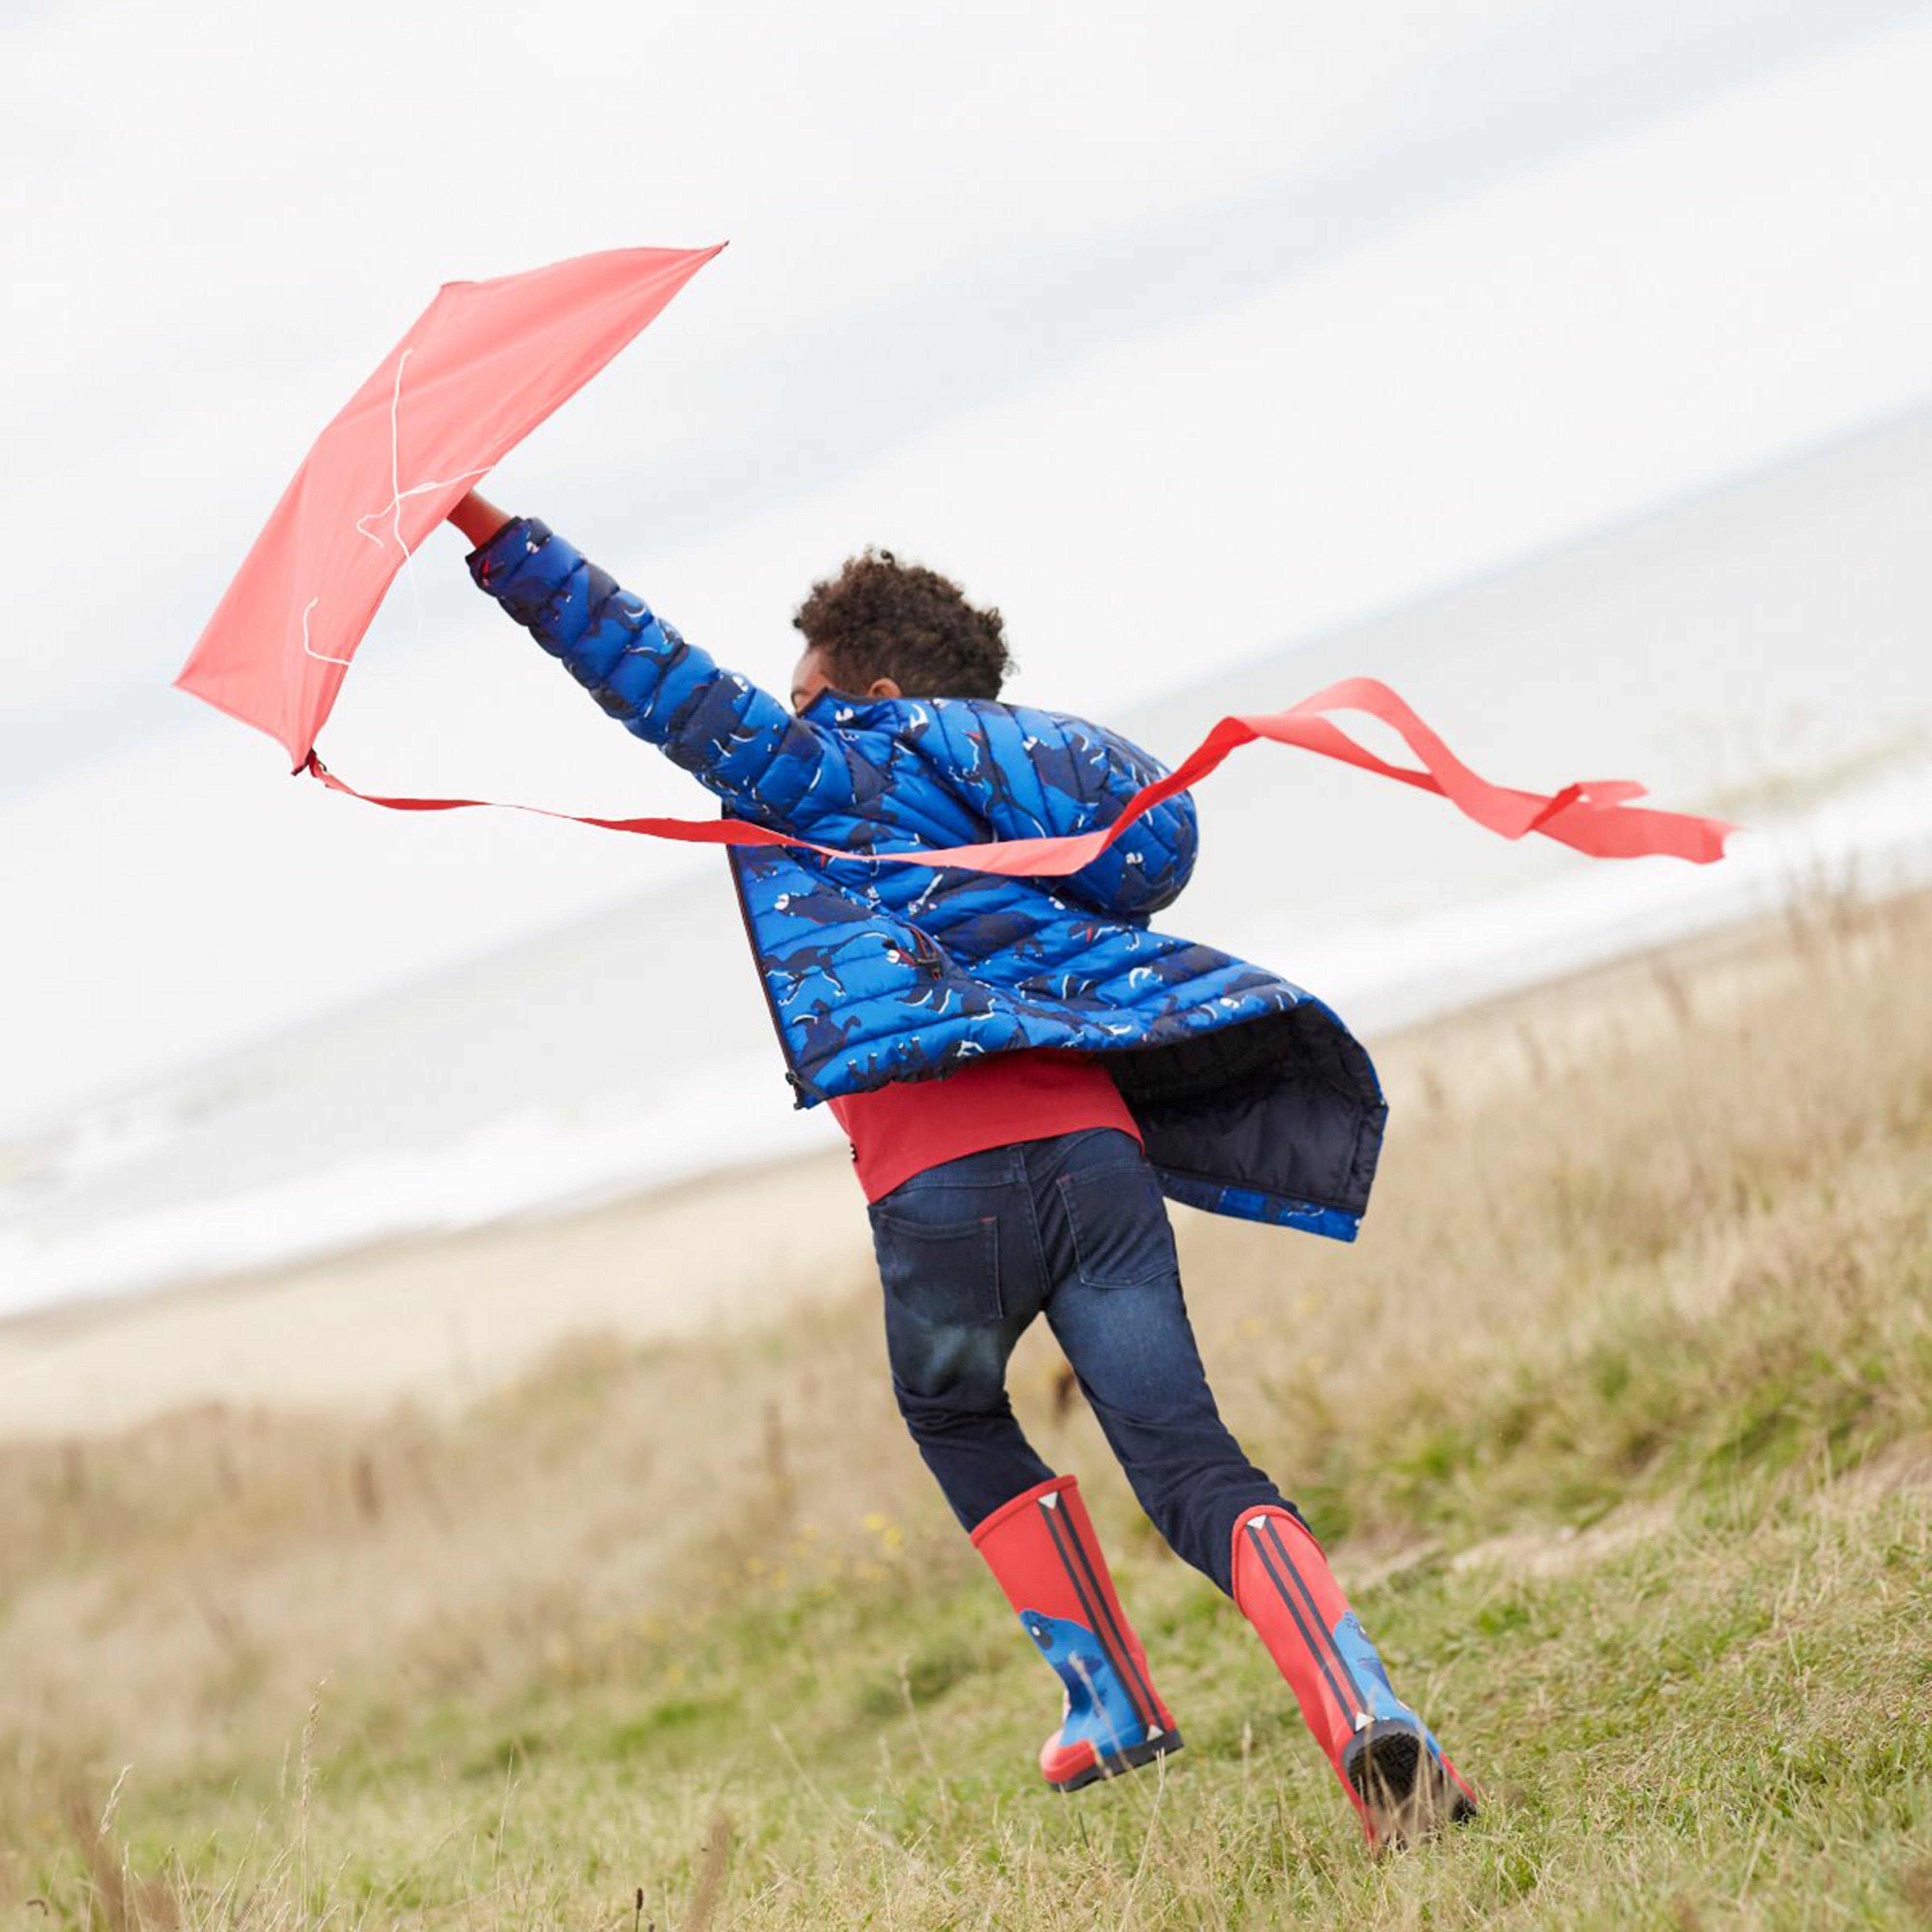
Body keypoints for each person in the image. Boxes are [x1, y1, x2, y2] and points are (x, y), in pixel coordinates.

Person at [446, 489, 1476, 1845]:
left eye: (803, 696)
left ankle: (1107, 1697)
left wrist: (486, 529)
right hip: (1098, 1166)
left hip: (942, 1198)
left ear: (869, 695)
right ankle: (1364, 1712)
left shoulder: (834, 766)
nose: (783, 718)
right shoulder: (1032, 808)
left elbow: (645, 668)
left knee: (951, 1410)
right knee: (1192, 1467)